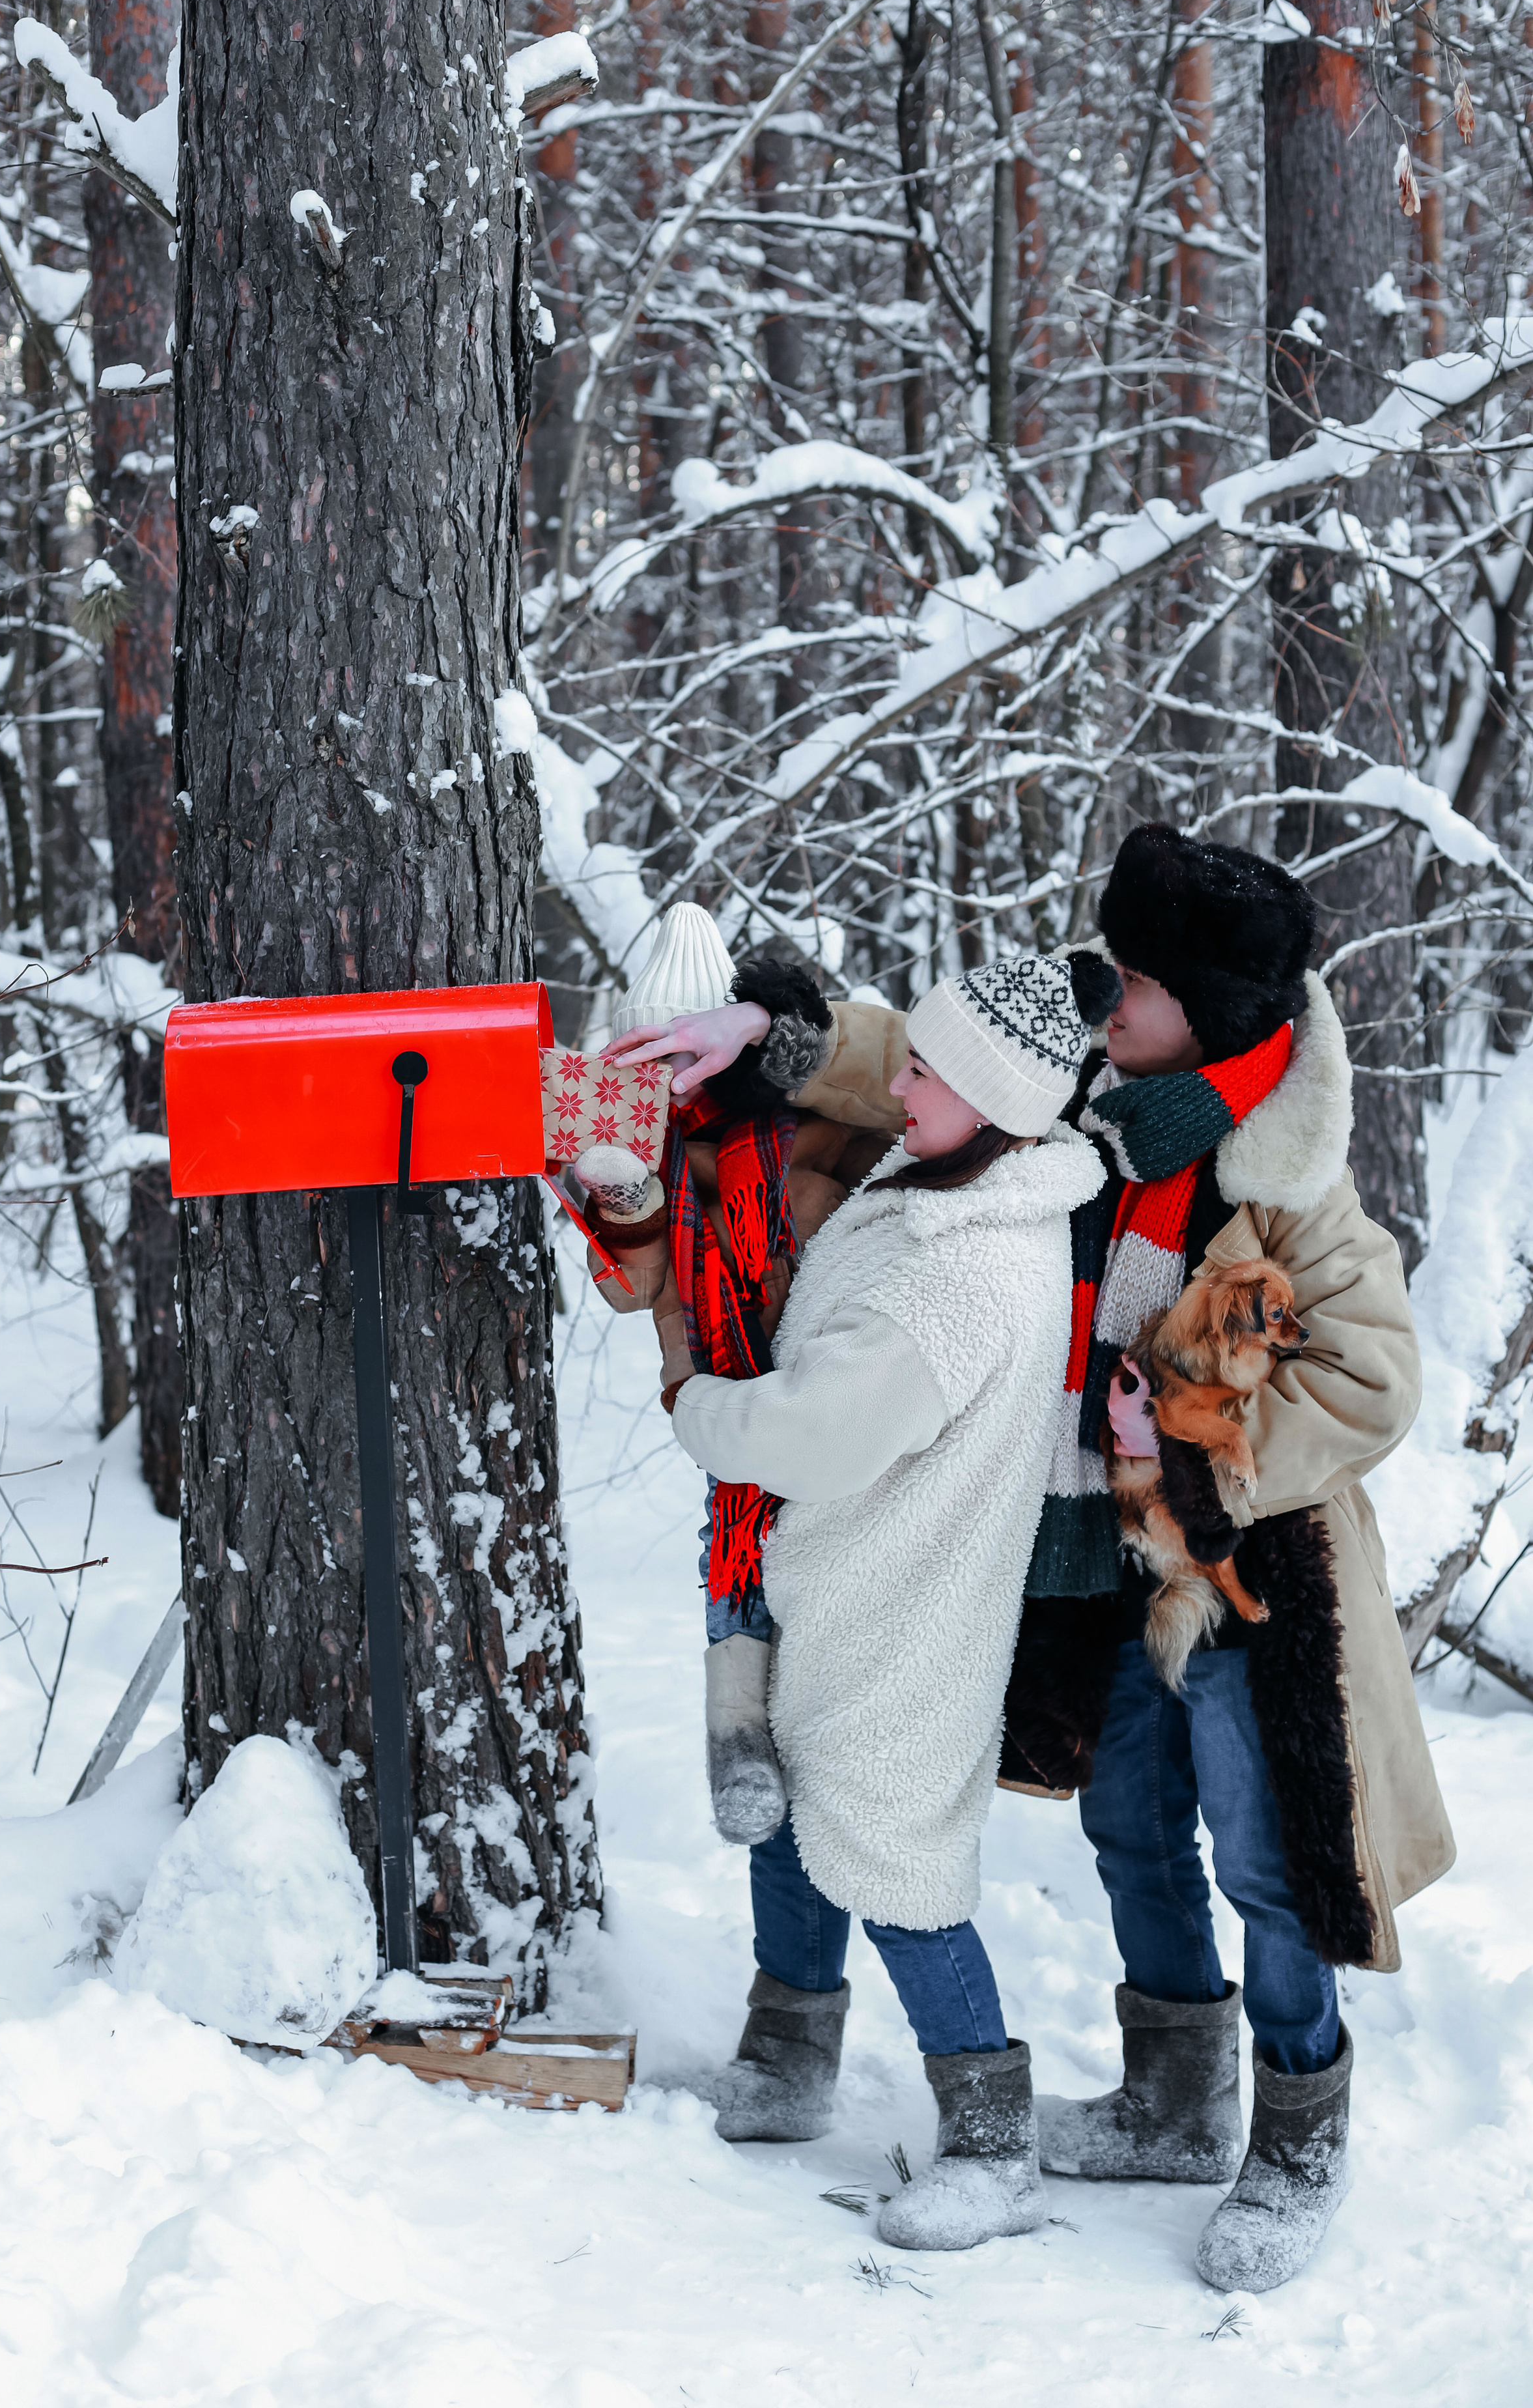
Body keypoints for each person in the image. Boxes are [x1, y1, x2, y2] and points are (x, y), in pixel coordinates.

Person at [615, 823, 1452, 2296]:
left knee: (1265, 1858)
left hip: (1235, 1574)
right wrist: (778, 1032)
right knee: (1128, 1828)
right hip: (1088, 1567)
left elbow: (1373, 1383)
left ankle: (1298, 2131)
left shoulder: (1283, 1182)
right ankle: (1175, 2097)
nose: (1097, 990)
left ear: (1203, 1007)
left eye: (1129, 977)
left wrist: (1188, 1432)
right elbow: (928, 1073)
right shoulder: (1093, 1085)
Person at [639, 952, 1114, 2254]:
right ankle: (786, 2065)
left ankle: (990, 2146)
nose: (896, 1080)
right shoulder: (946, 1181)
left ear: (991, 1099)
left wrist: (697, 1410)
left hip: (900, 1602)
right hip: (843, 1576)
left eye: (923, 1070)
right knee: (793, 1815)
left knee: (899, 1858)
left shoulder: (959, 1275)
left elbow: (815, 1432)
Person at [581, 905, 896, 1845]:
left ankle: (846, 1751)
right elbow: (634, 1291)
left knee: (826, 1571)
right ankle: (736, 1733)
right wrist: (629, 1200)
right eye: (650, 1059)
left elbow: (905, 1113)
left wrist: (788, 1033)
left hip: (821, 1379)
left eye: (685, 1055)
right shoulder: (648, 1146)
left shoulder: (818, 1125)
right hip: (719, 1385)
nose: (670, 1082)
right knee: (741, 1539)